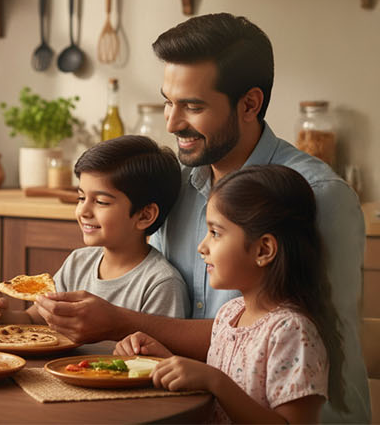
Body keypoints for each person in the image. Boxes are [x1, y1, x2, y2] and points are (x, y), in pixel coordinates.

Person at [35, 13, 370, 422]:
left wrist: (118, 321)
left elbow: (293, 331)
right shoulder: (172, 189)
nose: (173, 123)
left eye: (192, 106)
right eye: (168, 102)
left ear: (250, 104)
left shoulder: (320, 196)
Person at [117, 165, 344, 424]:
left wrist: (215, 381)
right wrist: (165, 362)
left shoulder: (291, 332)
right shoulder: (229, 314)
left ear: (263, 250)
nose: (202, 247)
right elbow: (215, 396)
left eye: (215, 233)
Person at [0, 135, 189, 323]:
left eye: (101, 202)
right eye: (81, 197)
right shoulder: (78, 263)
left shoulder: (160, 284)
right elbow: (33, 319)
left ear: (144, 215)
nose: (83, 210)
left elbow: (159, 360)